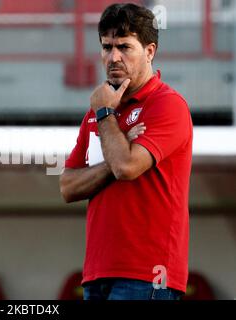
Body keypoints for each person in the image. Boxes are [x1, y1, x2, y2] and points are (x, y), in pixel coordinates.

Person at [59, 3, 193, 300]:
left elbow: (126, 168)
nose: (113, 57)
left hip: (148, 275)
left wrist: (106, 114)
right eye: (106, 47)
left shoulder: (166, 105)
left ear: (149, 51)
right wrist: (115, 147)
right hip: (96, 273)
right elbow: (68, 186)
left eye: (124, 46)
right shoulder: (97, 112)